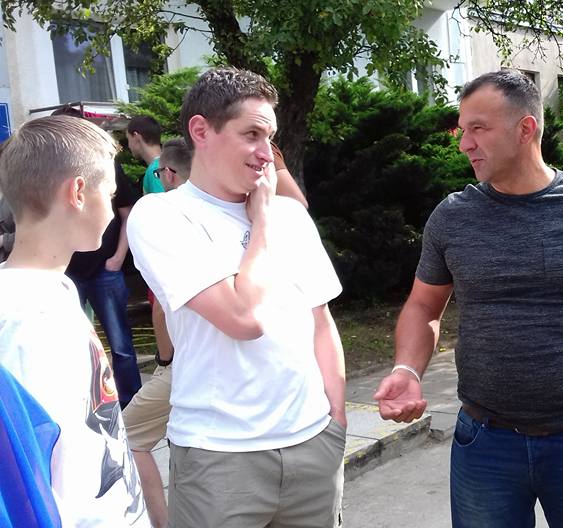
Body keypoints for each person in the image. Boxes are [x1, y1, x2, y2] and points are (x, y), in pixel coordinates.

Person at [374, 69, 563, 527]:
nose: (464, 144)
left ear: (525, 129)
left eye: (478, 129)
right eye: (462, 130)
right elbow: (423, 306)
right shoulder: (452, 217)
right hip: (484, 442)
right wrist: (407, 369)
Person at [126, 67, 346, 528]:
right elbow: (244, 318)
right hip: (219, 459)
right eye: (252, 135)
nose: (267, 154)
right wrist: (261, 221)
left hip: (313, 447)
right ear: (201, 130)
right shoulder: (163, 215)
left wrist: (336, 423)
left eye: (270, 137)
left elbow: (321, 322)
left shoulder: (291, 217)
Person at [0, 115, 148, 526]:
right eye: (110, 194)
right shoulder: (23, 321)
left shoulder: (57, 289)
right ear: (78, 192)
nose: (113, 212)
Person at [51, 105, 143, 408]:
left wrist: (118, 256)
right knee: (70, 342)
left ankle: (130, 405)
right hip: (66, 271)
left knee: (120, 345)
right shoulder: (51, 171)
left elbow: (128, 212)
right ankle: (82, 403)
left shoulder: (105, 164)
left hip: (105, 269)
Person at [122, 137, 190, 528]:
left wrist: (164, 359)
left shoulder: (161, 220)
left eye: (160, 173)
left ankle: (162, 523)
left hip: (184, 360)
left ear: (170, 174)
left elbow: (162, 306)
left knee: (128, 436)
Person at [126, 115, 164, 195]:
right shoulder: (168, 164)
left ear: (136, 137)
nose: (129, 146)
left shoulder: (155, 170)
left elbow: (162, 202)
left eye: (128, 139)